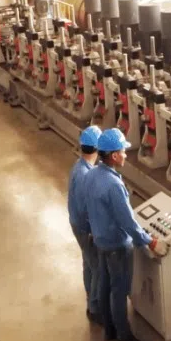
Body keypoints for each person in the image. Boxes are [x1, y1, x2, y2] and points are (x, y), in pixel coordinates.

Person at [86, 128, 169, 341]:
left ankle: (110, 330)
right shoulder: (114, 185)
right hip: (116, 245)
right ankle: (126, 340)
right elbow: (128, 222)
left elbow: (89, 206)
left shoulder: (92, 174)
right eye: (123, 151)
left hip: (100, 240)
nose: (125, 155)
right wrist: (150, 242)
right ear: (113, 155)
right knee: (119, 291)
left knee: (104, 285)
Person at [69, 126, 102, 324]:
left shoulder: (80, 167)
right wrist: (93, 230)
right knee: (97, 266)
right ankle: (96, 309)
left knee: (88, 263)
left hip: (77, 223)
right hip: (84, 227)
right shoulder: (85, 175)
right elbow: (85, 207)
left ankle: (91, 299)